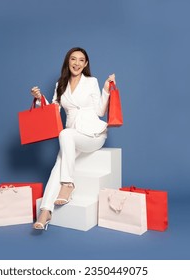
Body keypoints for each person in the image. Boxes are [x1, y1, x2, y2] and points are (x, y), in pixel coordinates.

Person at [30, 47, 116, 230]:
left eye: (81, 60)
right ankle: (45, 212)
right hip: (72, 137)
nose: (77, 63)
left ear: (85, 64)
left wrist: (106, 90)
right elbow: (53, 110)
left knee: (65, 135)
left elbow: (100, 111)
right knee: (58, 164)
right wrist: (39, 99)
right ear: (68, 62)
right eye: (73, 59)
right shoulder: (60, 84)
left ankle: (68, 184)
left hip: (93, 135)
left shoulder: (91, 82)